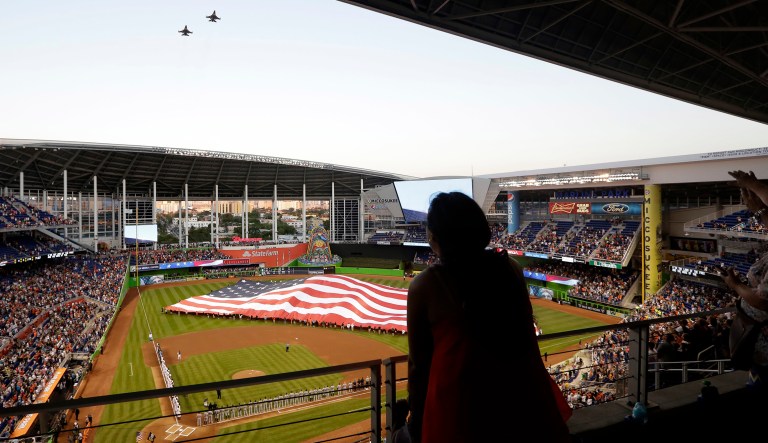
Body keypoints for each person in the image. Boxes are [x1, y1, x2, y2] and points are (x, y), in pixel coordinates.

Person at [406, 192, 571, 443]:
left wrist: (417, 421)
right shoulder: (510, 268)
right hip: (524, 400)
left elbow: (419, 366)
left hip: (461, 411)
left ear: (434, 237)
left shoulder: (425, 285)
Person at [720, 170, 768, 398]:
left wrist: (735, 285)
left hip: (764, 344)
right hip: (760, 340)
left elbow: (762, 301)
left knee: (759, 386)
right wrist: (757, 202)